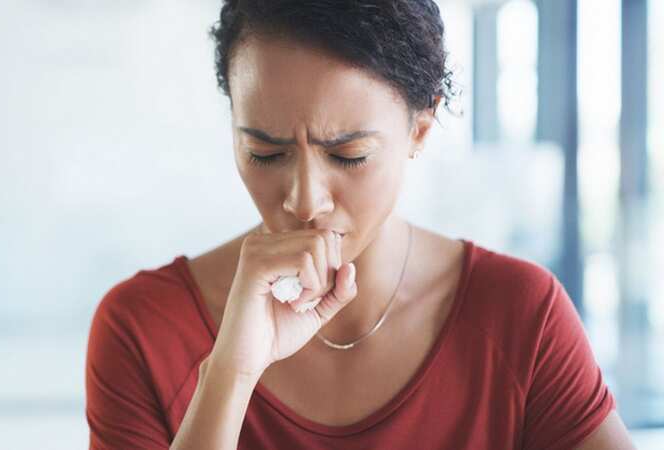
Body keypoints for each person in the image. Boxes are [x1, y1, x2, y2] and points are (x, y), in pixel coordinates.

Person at [85, 1, 635, 448]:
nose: (304, 202)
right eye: (264, 152)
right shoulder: (141, 328)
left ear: (420, 129)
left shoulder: (521, 317)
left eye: (348, 155)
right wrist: (229, 375)